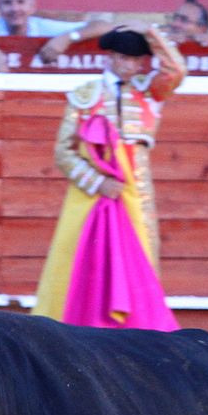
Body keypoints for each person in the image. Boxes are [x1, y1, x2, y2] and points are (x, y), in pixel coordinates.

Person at [32, 25, 183, 332]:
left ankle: (139, 335)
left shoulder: (147, 91)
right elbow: (64, 153)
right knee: (79, 264)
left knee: (138, 264)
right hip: (90, 196)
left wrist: (150, 32)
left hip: (134, 195)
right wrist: (98, 183)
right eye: (128, 59)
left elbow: (177, 70)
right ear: (112, 57)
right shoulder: (86, 97)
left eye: (139, 60)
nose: (134, 66)